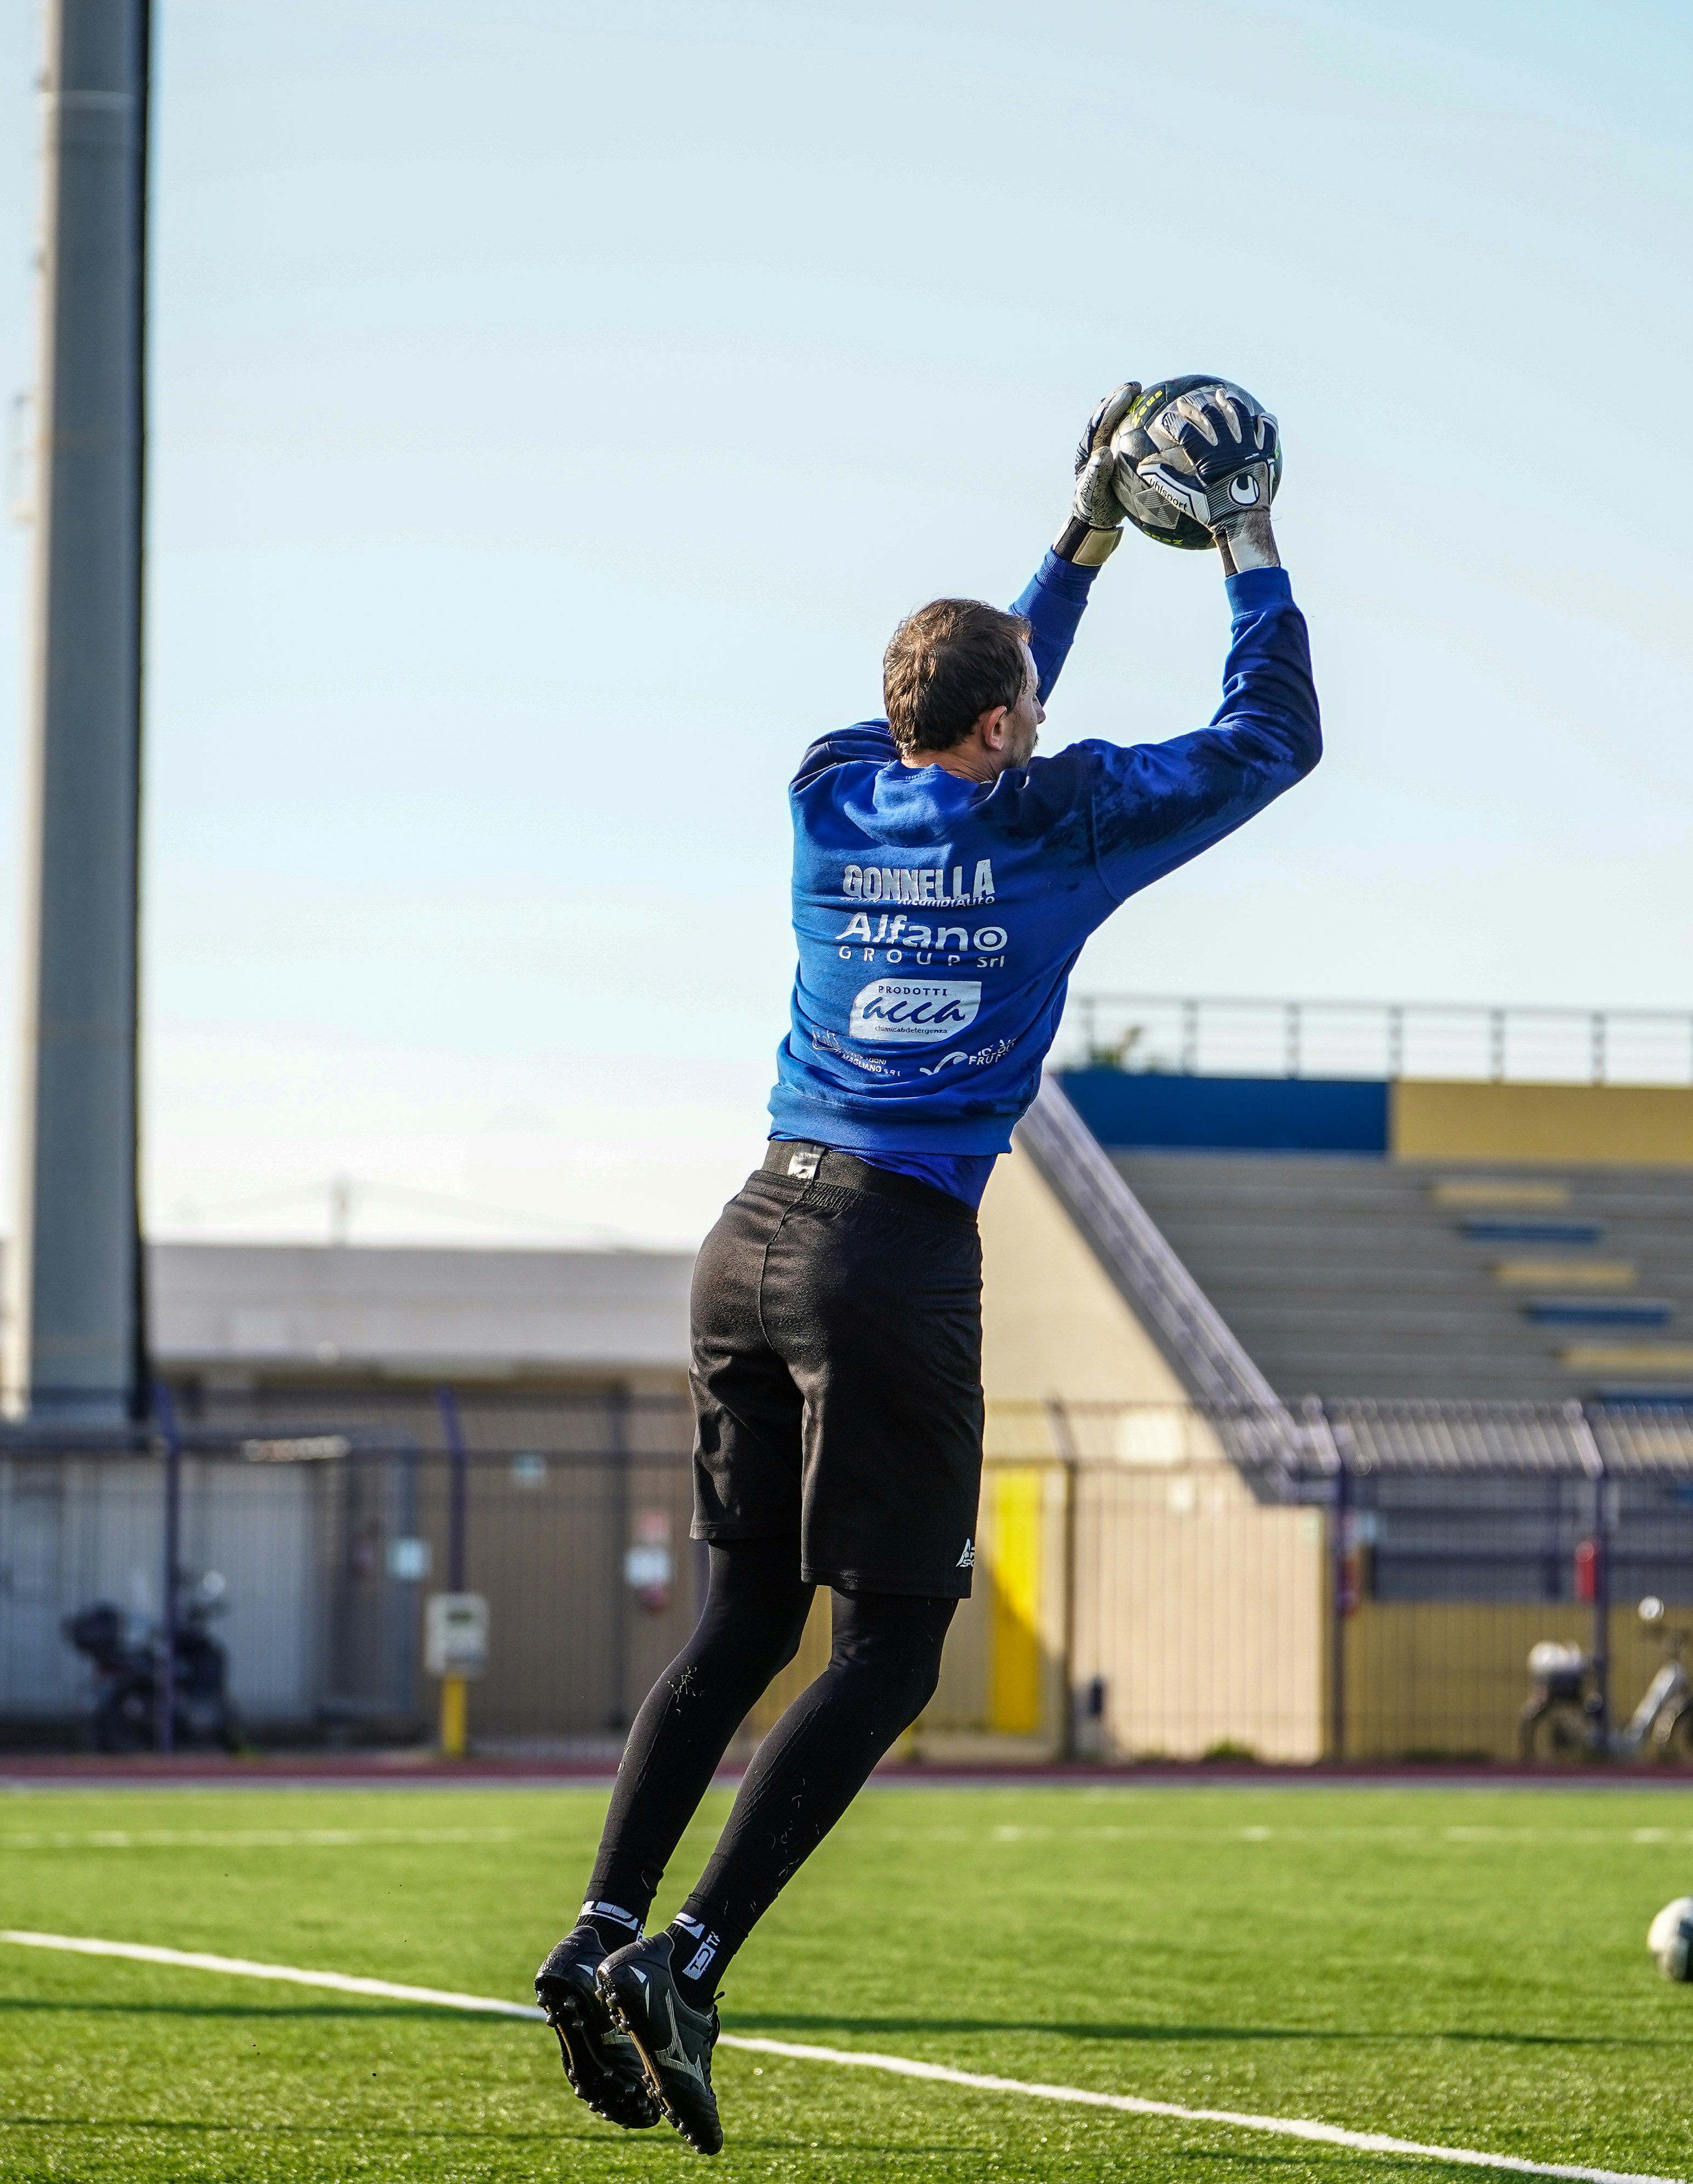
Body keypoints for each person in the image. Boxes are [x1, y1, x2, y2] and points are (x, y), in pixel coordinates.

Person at [532, 382, 1320, 2155]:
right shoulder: (1063, 823)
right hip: (889, 1252)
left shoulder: (832, 793)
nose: (1045, 718)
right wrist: (1246, 539)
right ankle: (692, 1960)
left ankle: (599, 1927)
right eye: (1029, 707)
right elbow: (1274, 740)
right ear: (997, 733)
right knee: (889, 1650)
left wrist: (1080, 545)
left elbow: (967, 690)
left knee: (741, 1623)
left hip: (742, 1239)